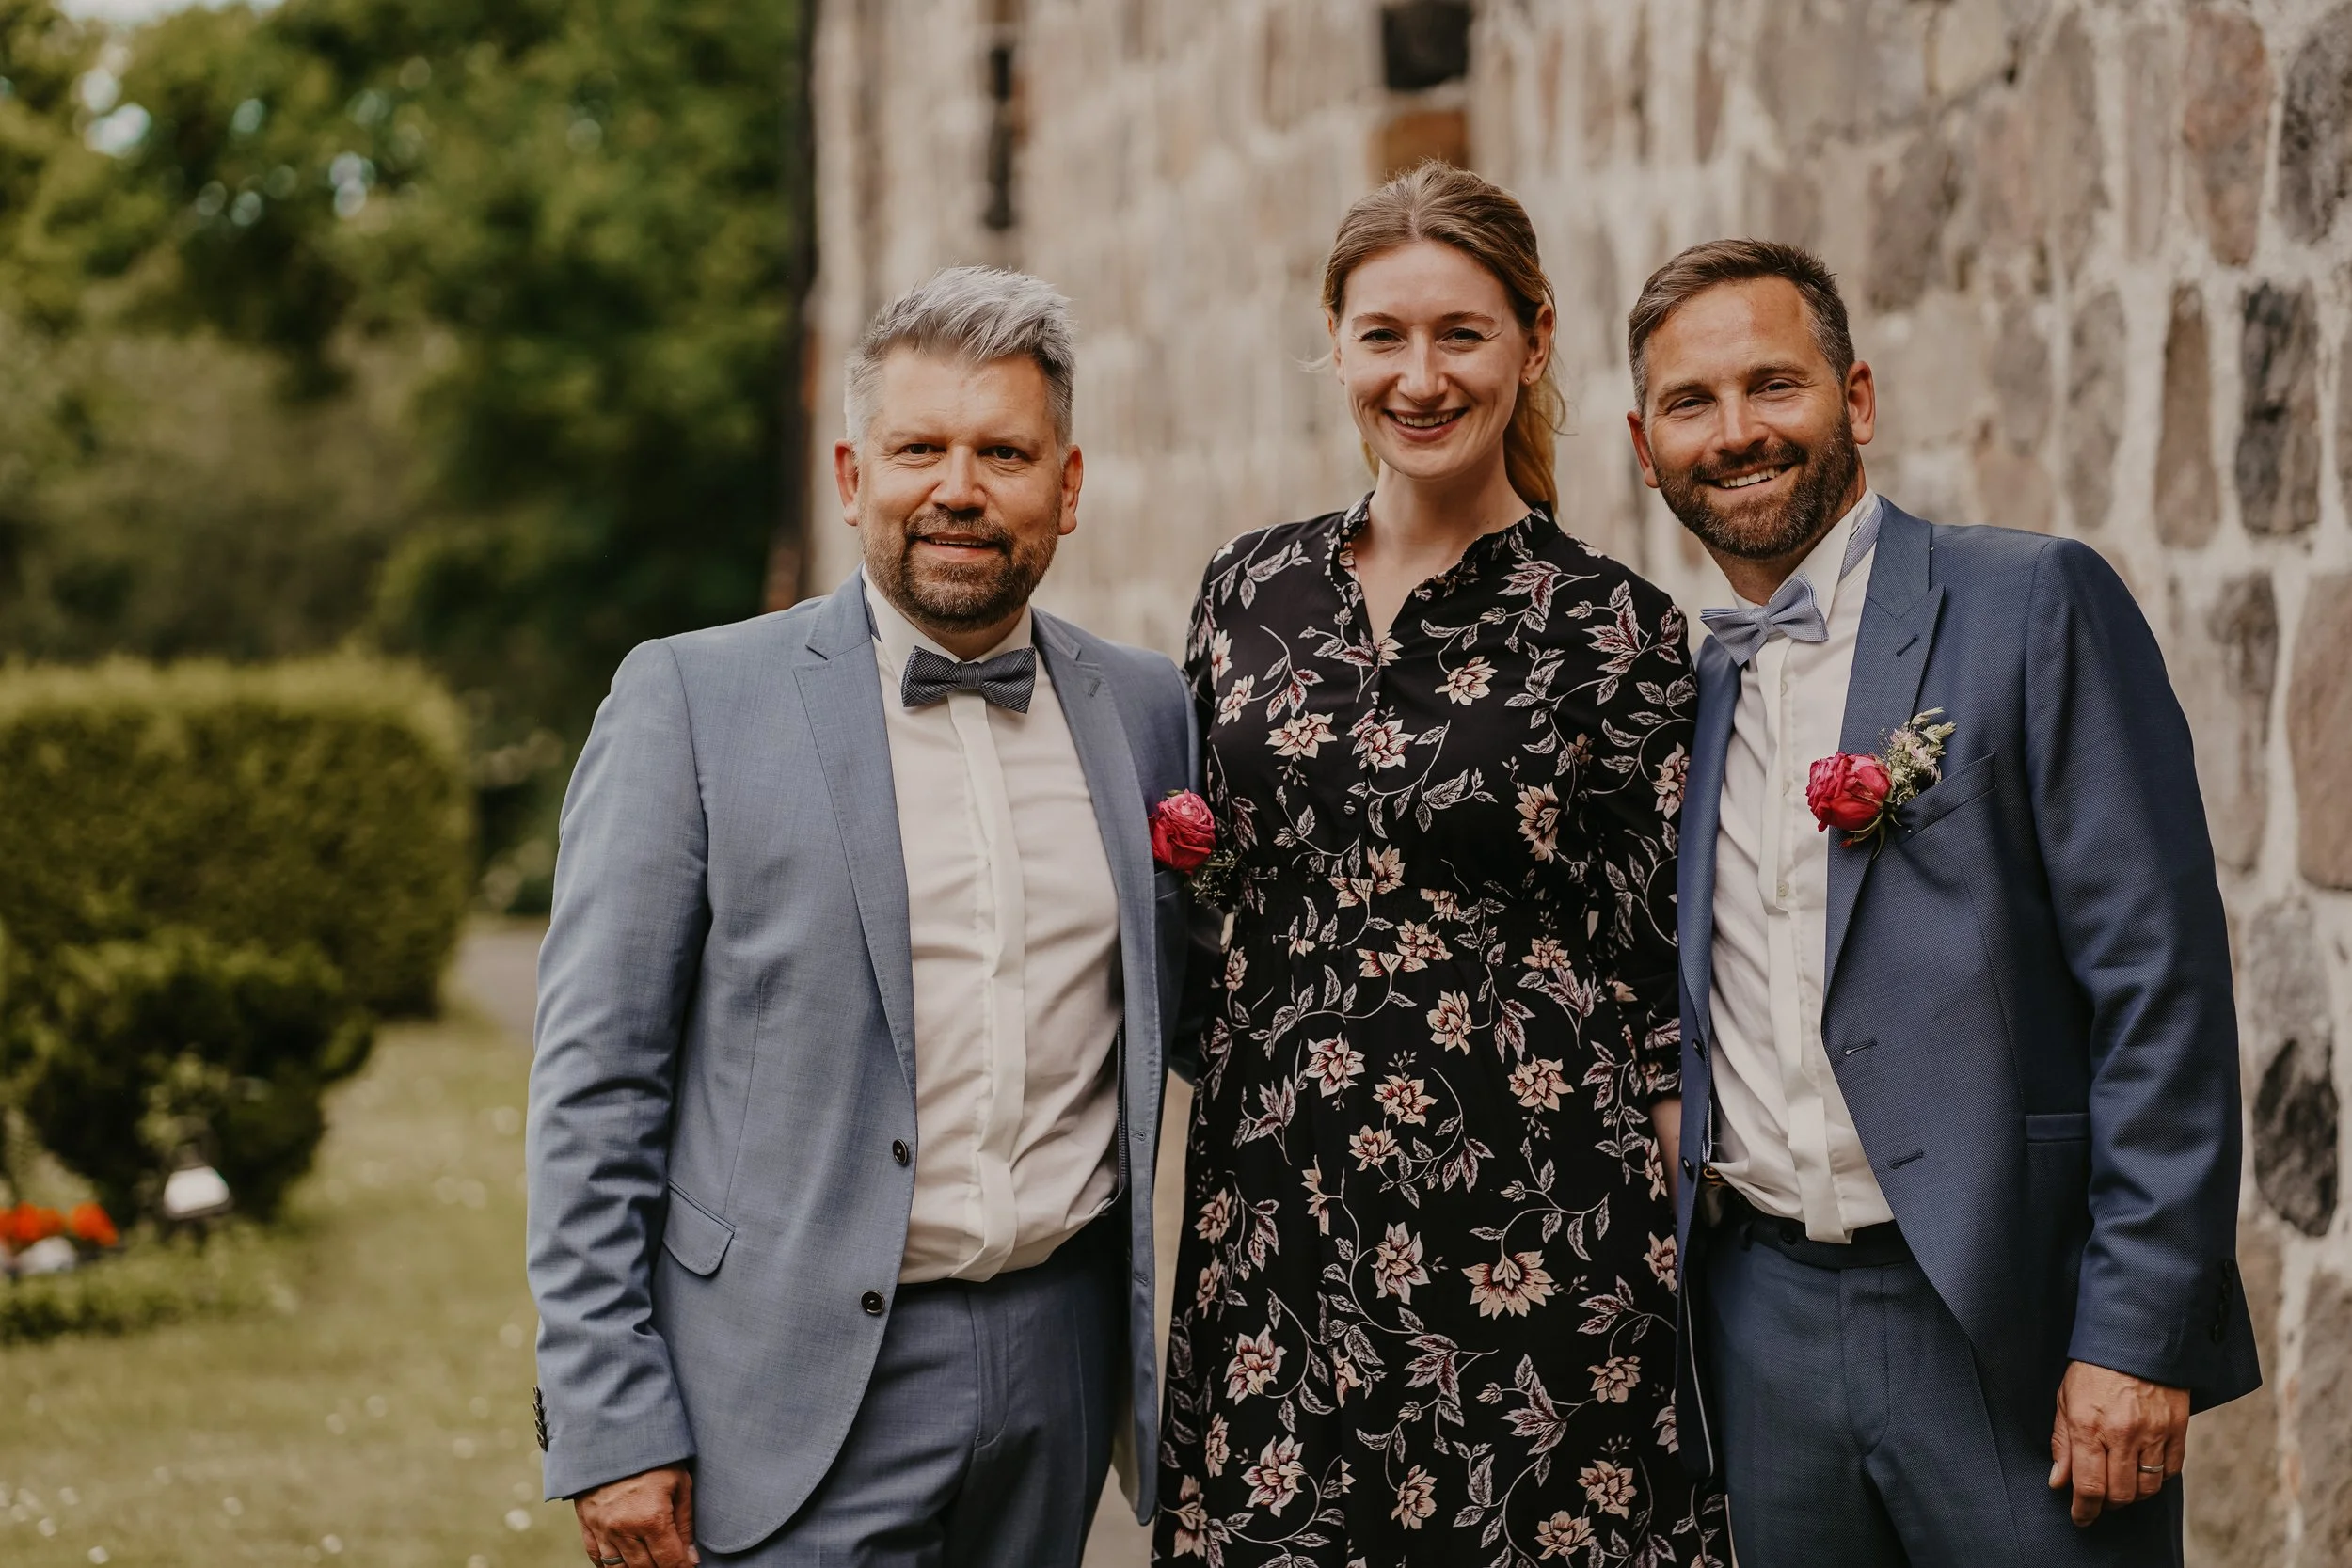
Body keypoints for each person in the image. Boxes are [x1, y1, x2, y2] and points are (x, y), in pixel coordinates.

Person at [526, 266, 1200, 1568]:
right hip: (786, 1384)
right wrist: (611, 1416)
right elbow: (594, 1085)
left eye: (1003, 451)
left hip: (1058, 1364)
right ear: (851, 476)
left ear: (1066, 485)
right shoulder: (690, 702)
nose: (959, 485)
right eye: (919, 449)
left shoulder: (1147, 710)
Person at [1627, 238, 2262, 1566]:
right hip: (1760, 1327)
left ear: (1856, 399)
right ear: (1645, 445)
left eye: (1773, 385)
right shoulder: (1675, 689)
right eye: (1692, 403)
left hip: (2008, 1324)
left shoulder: (2030, 602)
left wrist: (2134, 1334)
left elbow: (2163, 994)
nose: (1737, 432)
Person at [1155, 163, 1723, 1567]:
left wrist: (1688, 1293)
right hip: (1275, 1220)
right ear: (1335, 345)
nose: (1421, 376)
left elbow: (1657, 973)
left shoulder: (1617, 627)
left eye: (1461, 334)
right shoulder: (1248, 591)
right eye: (1384, 334)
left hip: (1537, 1226)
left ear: (1533, 341)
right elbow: (1209, 899)